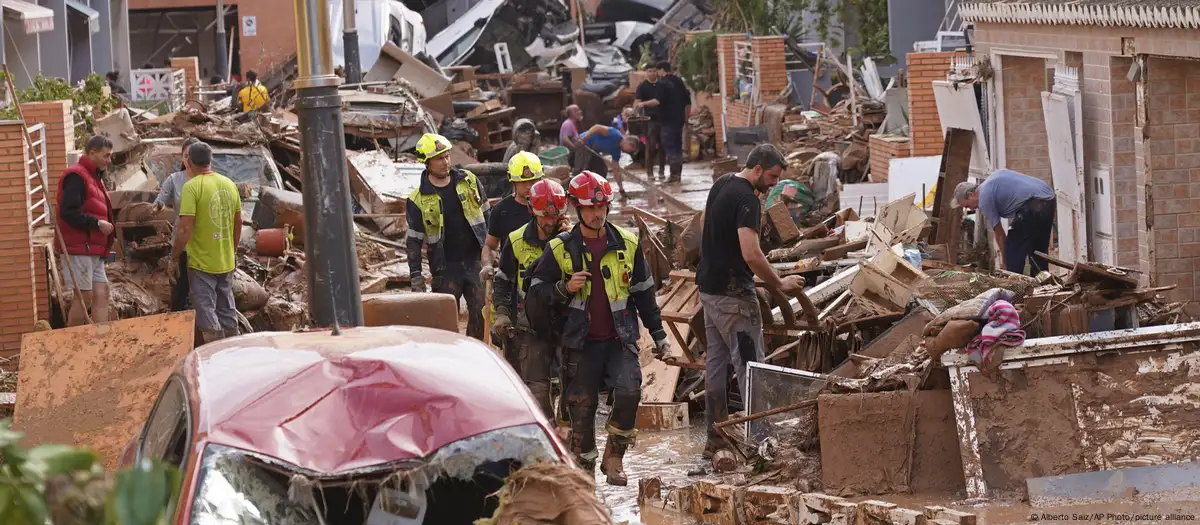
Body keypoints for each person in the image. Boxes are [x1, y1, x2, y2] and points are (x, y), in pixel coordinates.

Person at [527, 171, 670, 486]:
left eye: (603, 206)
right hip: (580, 345)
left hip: (620, 339)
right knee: (581, 410)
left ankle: (614, 457)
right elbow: (536, 292)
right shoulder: (560, 248)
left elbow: (645, 294)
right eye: (591, 208)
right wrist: (565, 287)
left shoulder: (627, 244)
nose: (598, 213)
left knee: (630, 391)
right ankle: (587, 477)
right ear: (577, 208)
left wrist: (659, 336)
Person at [696, 144, 805, 458]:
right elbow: (752, 253)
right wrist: (779, 282)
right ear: (758, 168)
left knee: (715, 364)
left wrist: (722, 252)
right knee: (751, 367)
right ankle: (760, 445)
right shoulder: (747, 199)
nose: (773, 184)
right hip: (734, 297)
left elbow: (705, 223)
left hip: (710, 290)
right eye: (771, 177)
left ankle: (715, 439)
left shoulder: (722, 183)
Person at [493, 178, 570, 420]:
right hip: (530, 325)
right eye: (544, 217)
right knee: (536, 389)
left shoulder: (573, 239)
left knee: (571, 389)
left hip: (568, 323)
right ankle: (546, 439)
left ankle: (569, 443)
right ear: (531, 212)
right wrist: (502, 312)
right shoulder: (516, 240)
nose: (549, 222)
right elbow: (504, 279)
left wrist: (569, 238)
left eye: (554, 217)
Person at [406, 133, 491, 341]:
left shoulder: (469, 181)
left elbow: (488, 217)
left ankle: (474, 356)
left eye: (446, 156)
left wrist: (492, 252)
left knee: (481, 314)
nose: (445, 162)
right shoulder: (418, 199)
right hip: (445, 268)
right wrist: (416, 276)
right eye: (439, 158)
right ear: (427, 163)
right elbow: (414, 241)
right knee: (444, 323)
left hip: (474, 261)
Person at [172, 142, 243, 343]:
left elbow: (185, 229)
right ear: (211, 161)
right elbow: (238, 222)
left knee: (206, 309)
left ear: (190, 162)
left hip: (201, 261)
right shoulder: (229, 184)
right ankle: (233, 349)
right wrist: (232, 248)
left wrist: (174, 256)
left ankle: (215, 351)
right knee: (227, 306)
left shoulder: (191, 188)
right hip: (225, 259)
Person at [58, 136, 116, 326]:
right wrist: (97, 224)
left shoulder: (93, 176)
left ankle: (99, 341)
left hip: (93, 247)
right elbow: (67, 212)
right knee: (84, 296)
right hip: (80, 246)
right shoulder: (76, 176)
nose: (109, 160)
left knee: (102, 292)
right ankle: (71, 342)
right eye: (106, 156)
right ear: (92, 153)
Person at [953, 170, 1057, 275]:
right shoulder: (991, 181)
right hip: (1049, 199)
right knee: (1038, 250)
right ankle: (1043, 282)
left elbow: (999, 234)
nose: (971, 208)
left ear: (971, 194)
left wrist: (1005, 263)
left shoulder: (984, 197)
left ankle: (1013, 285)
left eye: (967, 206)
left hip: (1033, 204)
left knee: (1013, 249)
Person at [153, 137, 203, 311]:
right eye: (186, 155)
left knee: (202, 286)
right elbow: (161, 198)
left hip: (204, 241)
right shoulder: (174, 179)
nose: (189, 160)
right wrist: (158, 206)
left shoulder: (209, 180)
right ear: (182, 157)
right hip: (182, 238)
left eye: (192, 156)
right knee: (181, 284)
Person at [577, 124, 640, 197]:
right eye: (630, 150)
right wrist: (584, 139)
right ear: (629, 143)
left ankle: (596, 193)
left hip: (593, 150)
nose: (629, 152)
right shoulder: (615, 134)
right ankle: (576, 192)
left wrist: (621, 189)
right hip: (583, 143)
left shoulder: (616, 152)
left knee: (602, 171)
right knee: (581, 171)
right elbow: (597, 127)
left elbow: (616, 170)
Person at [657, 61, 691, 184]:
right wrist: (686, 119)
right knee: (677, 147)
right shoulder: (679, 81)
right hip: (679, 120)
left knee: (670, 147)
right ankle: (677, 174)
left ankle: (674, 175)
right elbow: (688, 102)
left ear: (661, 70)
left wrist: (642, 104)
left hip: (667, 121)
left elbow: (657, 101)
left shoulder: (662, 84)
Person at [634, 64, 666, 179]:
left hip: (663, 119)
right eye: (650, 71)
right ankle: (650, 172)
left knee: (663, 146)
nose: (652, 73)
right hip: (649, 120)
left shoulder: (662, 85)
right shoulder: (642, 87)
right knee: (650, 146)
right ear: (646, 72)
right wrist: (636, 115)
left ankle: (661, 171)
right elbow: (637, 103)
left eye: (654, 71)